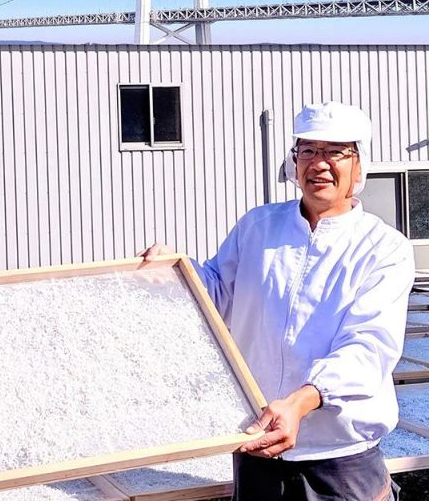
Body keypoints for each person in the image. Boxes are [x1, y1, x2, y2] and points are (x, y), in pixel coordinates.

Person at [143, 102, 414, 501]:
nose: (318, 163)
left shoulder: (383, 248)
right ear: (294, 161)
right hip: (257, 450)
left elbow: (368, 348)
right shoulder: (259, 227)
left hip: (340, 460)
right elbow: (216, 293)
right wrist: (175, 272)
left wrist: (300, 402)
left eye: (335, 152)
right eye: (308, 150)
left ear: (359, 165)